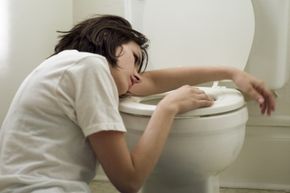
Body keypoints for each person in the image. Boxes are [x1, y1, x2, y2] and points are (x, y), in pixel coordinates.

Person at [0, 15, 275, 193]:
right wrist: (168, 107)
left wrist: (231, 73)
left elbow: (152, 82)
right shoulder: (90, 67)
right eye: (134, 57)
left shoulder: (70, 67)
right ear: (110, 42)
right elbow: (129, 181)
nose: (137, 76)